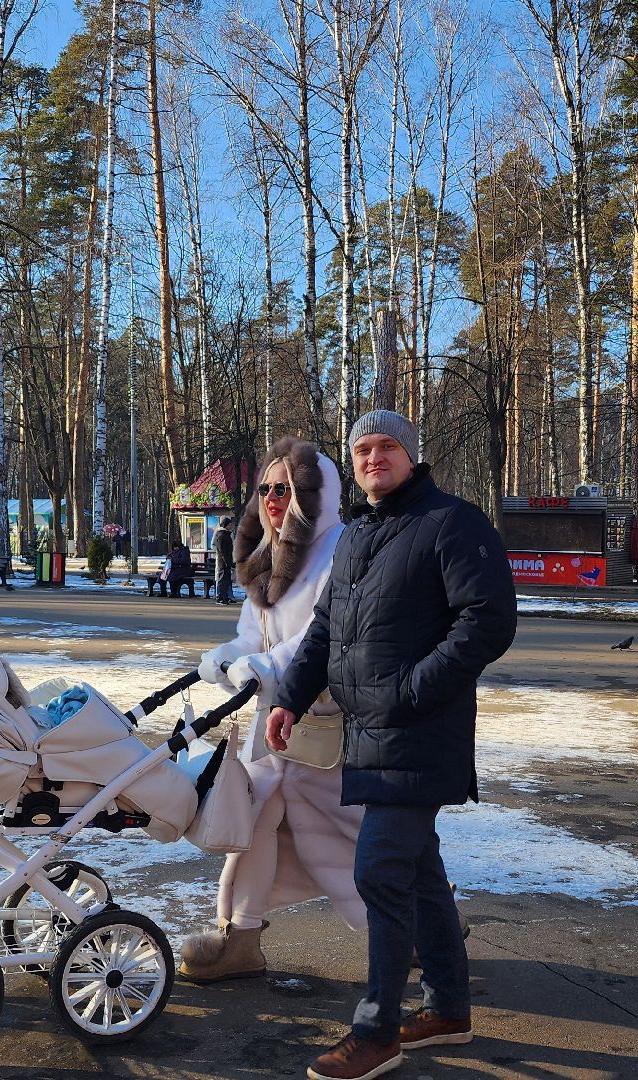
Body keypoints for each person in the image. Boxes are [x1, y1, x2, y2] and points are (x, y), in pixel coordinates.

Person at [267, 409, 516, 1080]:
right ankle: (447, 1009)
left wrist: (411, 689)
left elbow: (488, 621)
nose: (374, 457)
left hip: (421, 730)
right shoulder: (357, 537)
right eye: (362, 448)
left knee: (379, 868)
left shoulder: (451, 522)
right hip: (368, 734)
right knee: (419, 873)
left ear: (410, 455)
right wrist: (289, 696)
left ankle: (377, 1031)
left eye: (386, 447)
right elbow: (325, 631)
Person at [182, 437, 362, 983]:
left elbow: (324, 638)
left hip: (329, 729)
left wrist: (265, 668)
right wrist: (229, 658)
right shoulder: (269, 556)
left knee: (353, 839)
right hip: (277, 727)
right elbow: (249, 636)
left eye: (285, 489)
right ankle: (238, 936)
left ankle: (427, 926)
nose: (272, 499)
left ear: (317, 493)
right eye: (265, 488)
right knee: (251, 821)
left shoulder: (342, 552)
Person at [213, 516, 237, 604]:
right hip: (223, 563)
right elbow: (222, 551)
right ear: (225, 525)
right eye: (229, 525)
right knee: (222, 580)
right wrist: (227, 562)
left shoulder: (227, 535)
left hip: (227, 562)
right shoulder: (221, 536)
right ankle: (220, 598)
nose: (231, 526)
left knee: (226, 580)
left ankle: (225, 597)